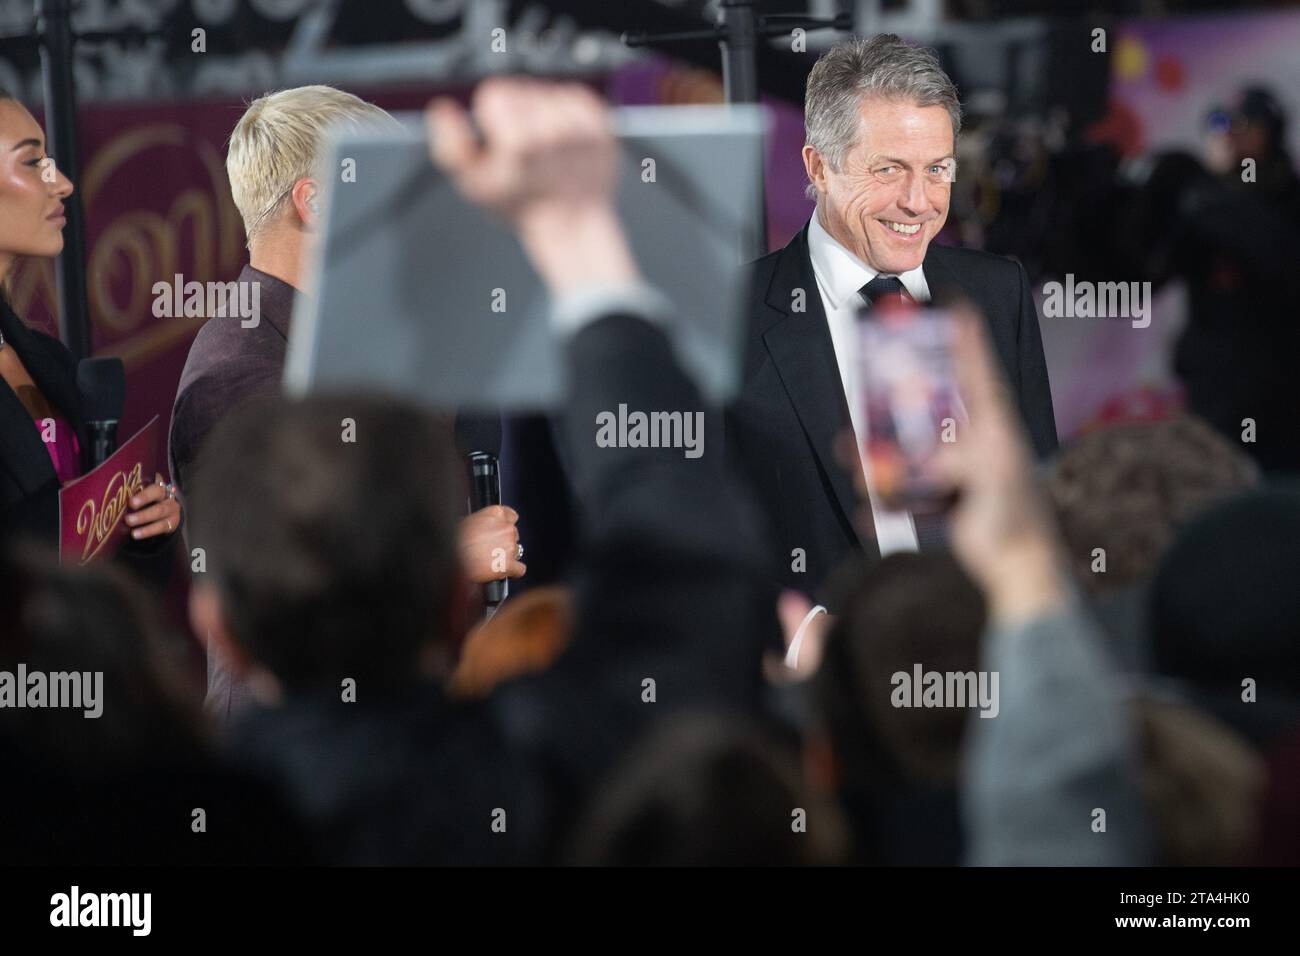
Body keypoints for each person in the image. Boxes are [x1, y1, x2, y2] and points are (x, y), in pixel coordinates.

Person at [168, 85, 526, 719]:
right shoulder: (238, 370)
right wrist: (445, 554)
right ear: (315, 201)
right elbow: (287, 585)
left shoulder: (358, 341)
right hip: (291, 750)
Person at [727, 35, 1058, 598]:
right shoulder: (730, 314)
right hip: (825, 669)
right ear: (819, 166)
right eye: (888, 170)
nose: (919, 201)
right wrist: (796, 635)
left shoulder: (996, 291)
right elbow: (703, 527)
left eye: (937, 169)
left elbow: (1039, 486)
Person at [0, 88, 181, 558]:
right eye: (31, 162)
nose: (61, 183)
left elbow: (102, 568)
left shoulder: (50, 361)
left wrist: (140, 525)